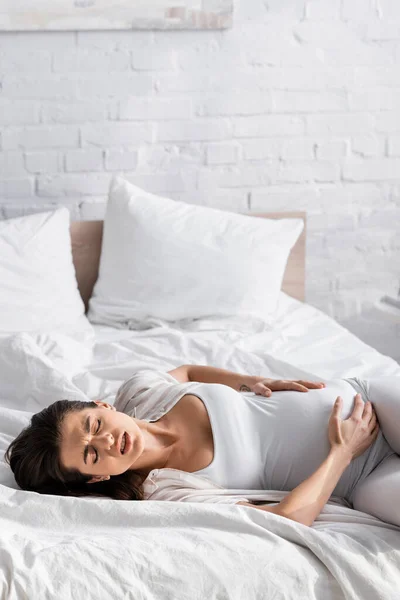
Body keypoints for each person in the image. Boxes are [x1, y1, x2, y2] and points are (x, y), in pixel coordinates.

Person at [4, 365, 399, 528]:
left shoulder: (141, 393)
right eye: (91, 454)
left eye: (94, 424)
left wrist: (249, 380)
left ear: (102, 405)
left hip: (366, 401)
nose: (105, 440)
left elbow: (187, 370)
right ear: (97, 477)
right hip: (361, 477)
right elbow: (289, 518)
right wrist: (342, 452)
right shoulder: (168, 492)